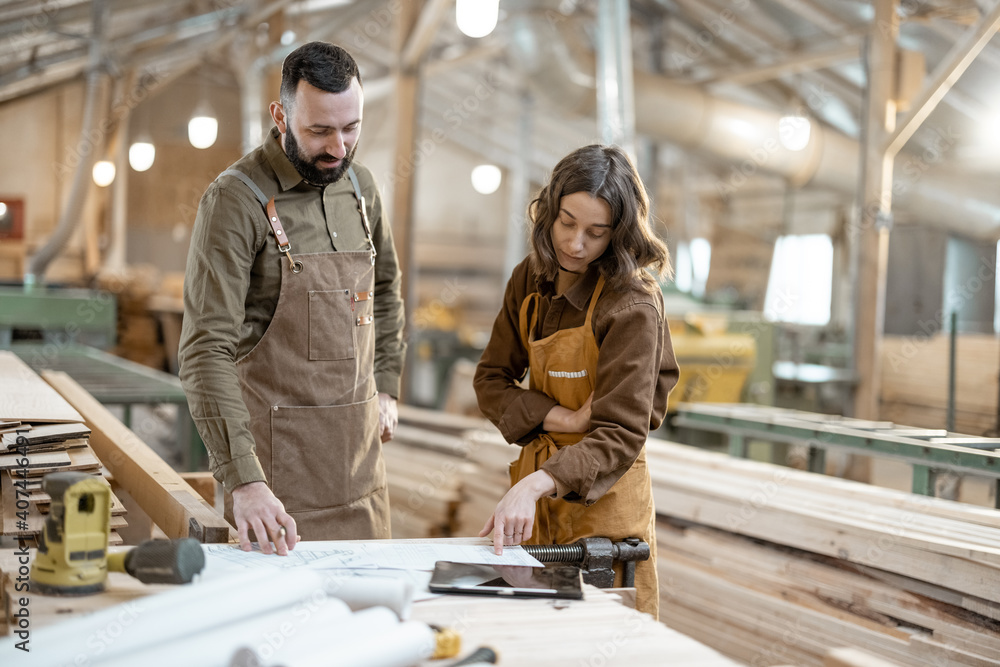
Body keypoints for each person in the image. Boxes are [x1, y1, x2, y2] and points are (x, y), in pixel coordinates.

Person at [178, 42, 405, 555]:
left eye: (351, 128)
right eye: (320, 130)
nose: (339, 149)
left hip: (362, 475)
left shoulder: (362, 188)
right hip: (275, 490)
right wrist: (243, 481)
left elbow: (386, 288)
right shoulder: (235, 201)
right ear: (281, 115)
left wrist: (387, 383)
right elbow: (204, 350)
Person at [473, 144, 678, 618]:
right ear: (549, 210)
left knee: (606, 642)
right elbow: (490, 379)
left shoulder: (632, 305)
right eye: (566, 223)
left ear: (620, 234)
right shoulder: (531, 279)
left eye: (596, 232)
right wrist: (557, 415)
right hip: (538, 506)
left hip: (604, 508)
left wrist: (535, 484)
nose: (575, 244)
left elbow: (621, 432)